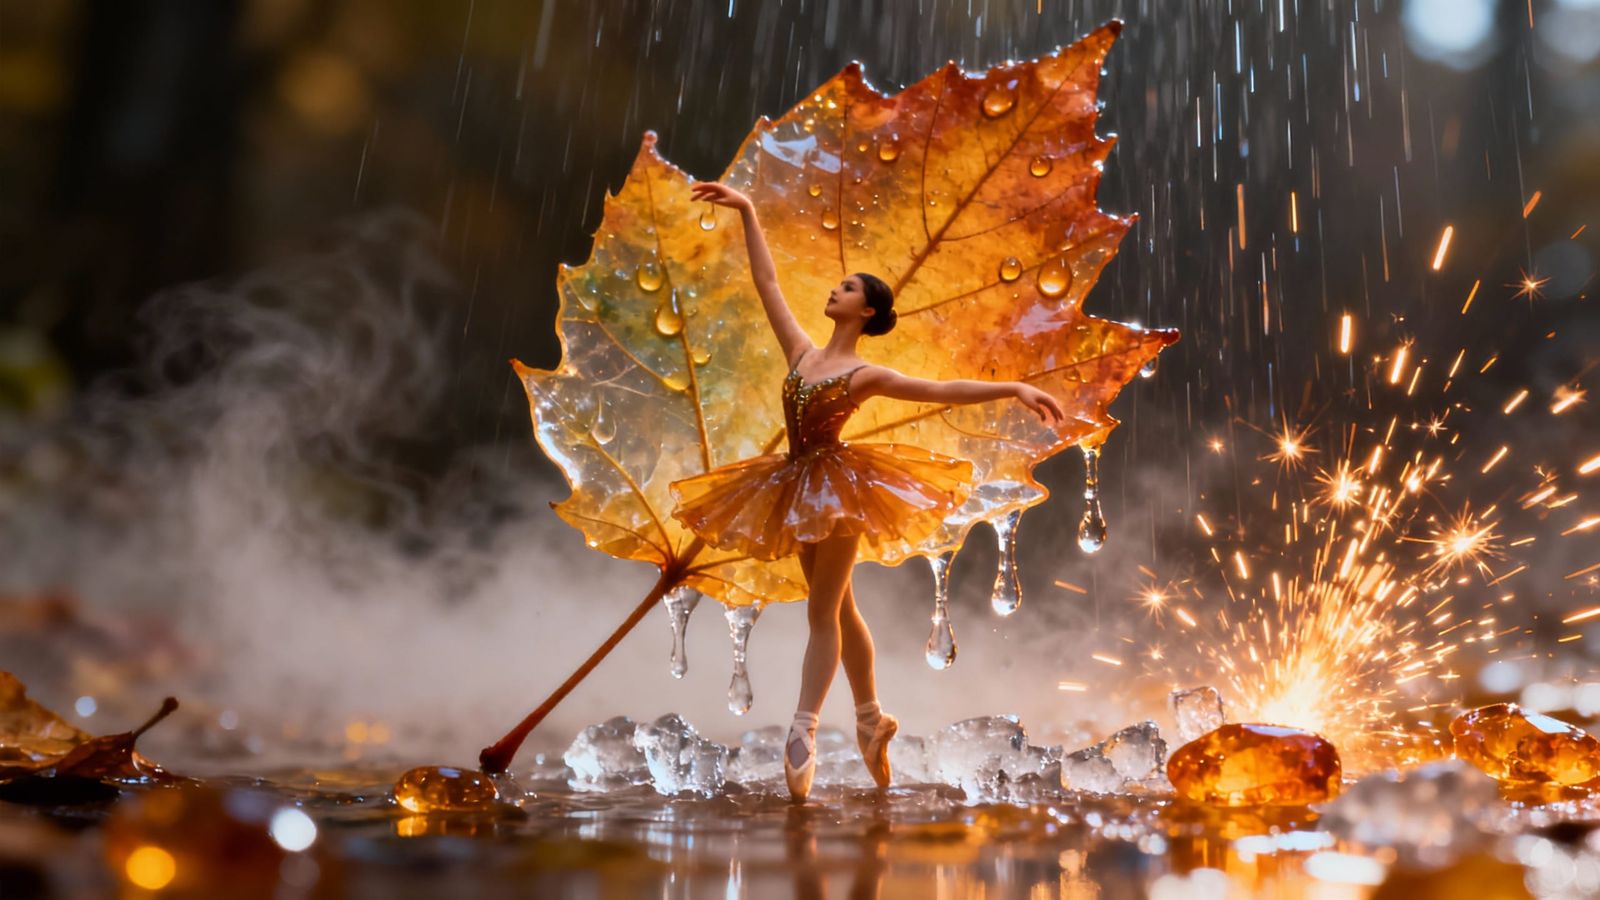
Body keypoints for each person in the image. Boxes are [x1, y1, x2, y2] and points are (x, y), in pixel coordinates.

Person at [670, 182, 1066, 803]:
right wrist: (747, 209)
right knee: (840, 607)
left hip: (839, 490)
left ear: (867, 312)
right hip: (794, 485)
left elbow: (941, 390)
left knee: (822, 611)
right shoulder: (801, 354)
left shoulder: (865, 374)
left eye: (849, 287)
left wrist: (1013, 387)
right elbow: (767, 283)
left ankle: (803, 728)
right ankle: (871, 718)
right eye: (840, 284)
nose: (836, 290)